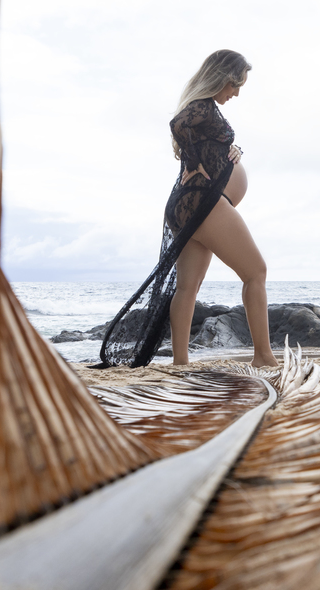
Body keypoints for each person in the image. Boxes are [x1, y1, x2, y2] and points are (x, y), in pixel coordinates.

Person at [94, 50, 278, 368]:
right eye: (235, 85)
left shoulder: (205, 112)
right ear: (222, 77)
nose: (236, 93)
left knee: (187, 287)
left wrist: (230, 149)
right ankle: (263, 356)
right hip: (203, 202)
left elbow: (201, 139)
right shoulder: (201, 108)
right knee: (256, 272)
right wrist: (195, 160)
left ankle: (181, 362)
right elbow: (178, 123)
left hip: (188, 204)